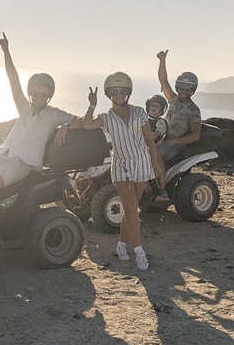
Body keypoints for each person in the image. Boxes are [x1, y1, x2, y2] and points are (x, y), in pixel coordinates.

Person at [0, 33, 82, 245]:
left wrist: (66, 126)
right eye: (36, 93)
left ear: (49, 96)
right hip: (1, 153)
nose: (39, 97)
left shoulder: (54, 114)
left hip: (23, 163)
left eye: (43, 94)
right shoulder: (24, 107)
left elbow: (81, 121)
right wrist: (6, 52)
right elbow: (13, 78)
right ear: (31, 94)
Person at [82, 72, 163, 270]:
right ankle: (139, 251)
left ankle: (120, 245)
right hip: (120, 165)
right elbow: (86, 124)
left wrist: (155, 163)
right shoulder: (105, 117)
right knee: (131, 208)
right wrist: (92, 104)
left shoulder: (139, 113)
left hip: (142, 163)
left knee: (131, 208)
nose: (119, 95)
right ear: (109, 93)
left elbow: (149, 140)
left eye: (122, 91)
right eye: (114, 91)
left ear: (128, 92)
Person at [155, 50, 202, 199]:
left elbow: (196, 134)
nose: (183, 91)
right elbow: (163, 81)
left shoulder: (194, 110)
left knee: (155, 152)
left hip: (175, 146)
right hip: (163, 139)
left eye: (187, 89)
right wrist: (162, 60)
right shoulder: (173, 100)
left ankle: (162, 191)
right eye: (181, 88)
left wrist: (175, 140)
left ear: (192, 90)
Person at [145, 94, 170, 201]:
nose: (154, 108)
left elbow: (155, 135)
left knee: (156, 154)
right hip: (145, 146)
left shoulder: (161, 122)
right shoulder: (144, 120)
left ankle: (162, 189)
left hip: (158, 146)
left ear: (162, 110)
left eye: (157, 106)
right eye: (152, 105)